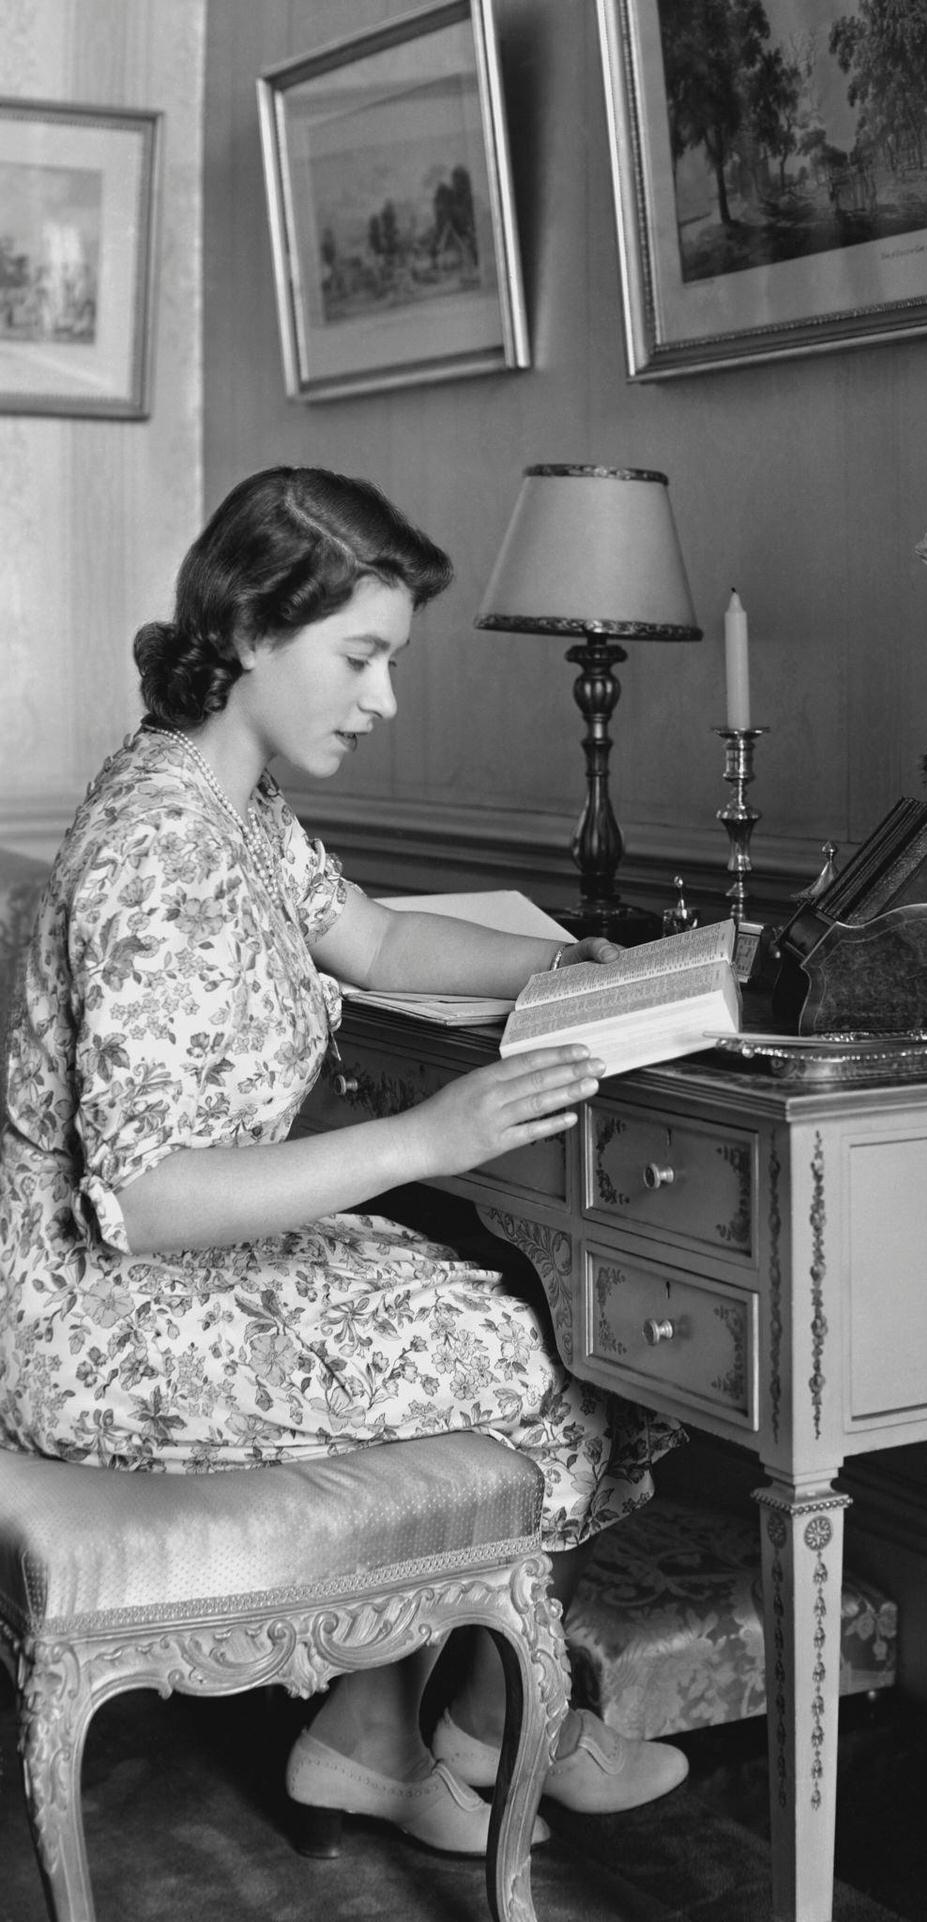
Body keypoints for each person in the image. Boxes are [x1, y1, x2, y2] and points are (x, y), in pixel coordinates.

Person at [0, 466, 689, 1855]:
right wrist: (429, 1137)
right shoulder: (157, 849)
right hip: (83, 1312)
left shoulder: (228, 802)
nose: (381, 701)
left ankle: (388, 1733)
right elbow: (148, 1199)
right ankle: (479, 1727)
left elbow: (371, 938)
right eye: (361, 658)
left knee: (533, 1307)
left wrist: (570, 959)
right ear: (255, 633)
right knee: (539, 1348)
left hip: (160, 1275)